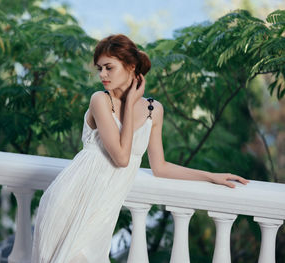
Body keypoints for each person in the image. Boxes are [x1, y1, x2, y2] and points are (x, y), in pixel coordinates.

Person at [31, 34, 249, 263]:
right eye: (99, 68)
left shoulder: (154, 110)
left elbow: (160, 167)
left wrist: (210, 176)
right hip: (68, 203)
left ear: (131, 67)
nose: (102, 75)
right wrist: (130, 104)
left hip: (101, 214)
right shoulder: (100, 100)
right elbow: (122, 158)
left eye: (108, 68)